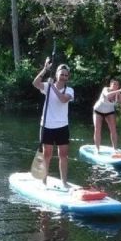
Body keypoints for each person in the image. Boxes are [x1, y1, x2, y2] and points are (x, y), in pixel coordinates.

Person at [33, 59, 74, 188]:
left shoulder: (70, 90)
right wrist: (45, 69)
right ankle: (44, 181)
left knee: (63, 155)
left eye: (66, 75)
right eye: (61, 74)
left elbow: (62, 99)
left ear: (68, 77)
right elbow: (35, 83)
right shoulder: (46, 86)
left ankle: (64, 182)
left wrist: (52, 87)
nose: (63, 77)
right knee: (47, 155)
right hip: (47, 125)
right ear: (56, 74)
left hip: (62, 126)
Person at [92, 78, 121, 153]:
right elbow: (107, 95)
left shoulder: (119, 94)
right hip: (98, 111)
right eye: (113, 84)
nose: (115, 85)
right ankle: (97, 149)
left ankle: (115, 149)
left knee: (113, 130)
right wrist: (119, 90)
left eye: (117, 84)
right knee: (97, 129)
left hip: (110, 112)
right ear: (110, 84)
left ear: (118, 86)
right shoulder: (105, 89)